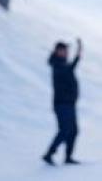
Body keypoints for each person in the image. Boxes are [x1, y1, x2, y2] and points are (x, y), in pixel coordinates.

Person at [42, 38, 82, 166]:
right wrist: (77, 58)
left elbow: (70, 68)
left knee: (73, 130)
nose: (65, 52)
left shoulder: (62, 64)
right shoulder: (56, 64)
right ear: (57, 51)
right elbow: (68, 70)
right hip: (62, 104)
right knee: (65, 130)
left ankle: (68, 157)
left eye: (66, 50)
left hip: (69, 104)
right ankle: (49, 154)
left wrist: (78, 55)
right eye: (63, 50)